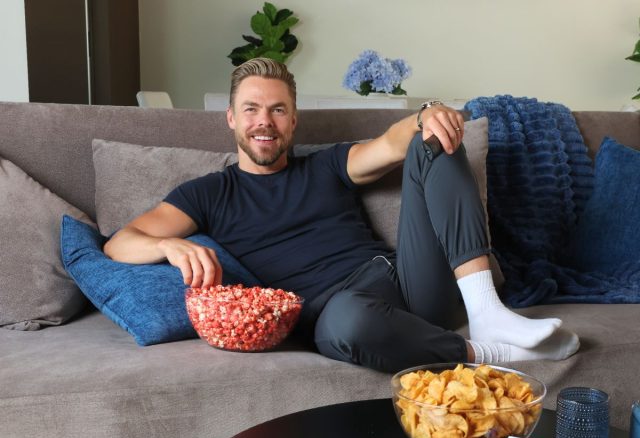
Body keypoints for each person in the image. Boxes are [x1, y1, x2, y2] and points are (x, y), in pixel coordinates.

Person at [104, 58, 579, 373]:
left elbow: (395, 143)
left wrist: (427, 114)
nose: (263, 122)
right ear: (231, 117)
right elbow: (120, 242)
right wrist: (169, 244)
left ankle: (486, 311)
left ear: (294, 119)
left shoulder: (327, 164)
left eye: (277, 110)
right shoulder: (209, 193)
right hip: (338, 315)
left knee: (433, 139)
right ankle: (493, 353)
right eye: (251, 109)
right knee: (346, 327)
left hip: (410, 284)